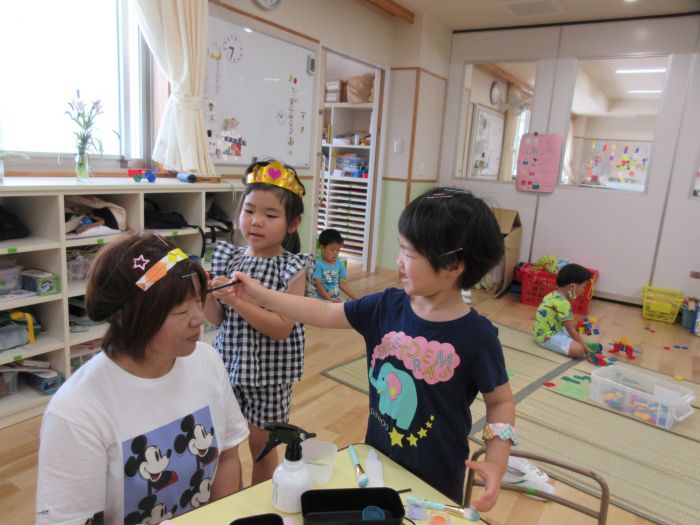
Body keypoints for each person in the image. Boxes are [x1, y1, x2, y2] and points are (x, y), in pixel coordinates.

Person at [221, 187, 517, 510]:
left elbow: (500, 401)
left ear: (453, 265)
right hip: (375, 461)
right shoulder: (386, 307)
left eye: (409, 253)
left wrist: (497, 462)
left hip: (438, 479)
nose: (398, 262)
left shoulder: (477, 336)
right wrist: (262, 295)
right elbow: (324, 312)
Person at [36, 232, 249, 525]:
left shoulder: (207, 361)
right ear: (127, 316)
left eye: (200, 301)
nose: (199, 318)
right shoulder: (76, 411)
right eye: (180, 310)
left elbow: (227, 456)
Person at [204, 159, 313, 485]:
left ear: (292, 224)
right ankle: (228, 501)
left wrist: (238, 299)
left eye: (270, 215)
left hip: (269, 376)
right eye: (249, 211)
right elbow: (216, 319)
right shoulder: (227, 256)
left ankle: (256, 505)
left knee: (262, 446)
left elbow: (280, 328)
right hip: (229, 367)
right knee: (225, 445)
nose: (256, 221)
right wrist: (209, 293)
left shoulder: (292, 269)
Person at [533, 263, 593, 358]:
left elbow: (567, 323)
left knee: (576, 325)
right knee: (578, 349)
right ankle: (576, 344)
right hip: (546, 337)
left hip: (547, 330)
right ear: (572, 287)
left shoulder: (554, 294)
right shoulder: (563, 303)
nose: (584, 290)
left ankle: (572, 340)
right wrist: (584, 346)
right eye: (584, 286)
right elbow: (570, 329)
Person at [311, 228, 358, 302]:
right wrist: (330, 299)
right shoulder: (318, 264)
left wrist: (356, 298)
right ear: (322, 248)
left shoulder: (339, 264)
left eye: (338, 250)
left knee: (348, 306)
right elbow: (318, 285)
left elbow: (342, 284)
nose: (335, 253)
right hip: (321, 299)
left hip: (336, 298)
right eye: (332, 250)